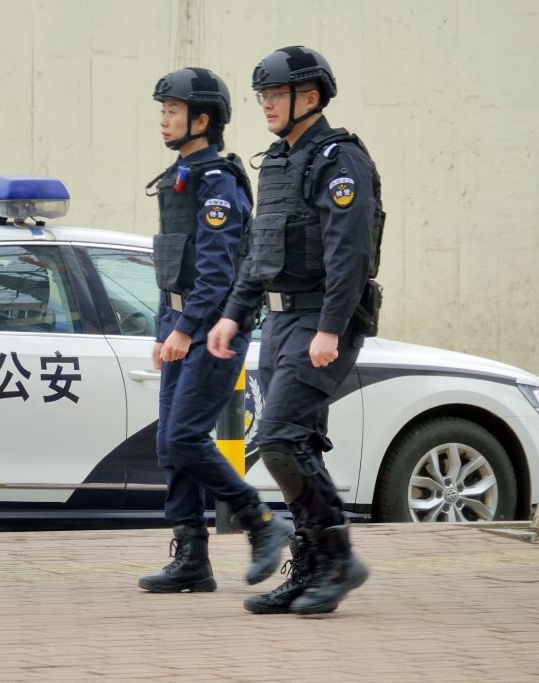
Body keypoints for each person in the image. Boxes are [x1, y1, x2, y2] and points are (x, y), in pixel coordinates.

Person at [208, 46, 384, 615]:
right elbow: (261, 251)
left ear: (309, 97)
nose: (265, 104)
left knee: (280, 436)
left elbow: (349, 252)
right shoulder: (280, 162)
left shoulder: (340, 160)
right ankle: (311, 564)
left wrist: (331, 328)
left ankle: (337, 557)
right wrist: (234, 313)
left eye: (275, 95)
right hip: (281, 320)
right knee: (295, 443)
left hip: (322, 318)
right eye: (261, 96)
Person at [138, 67, 292, 594]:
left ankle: (263, 522)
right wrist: (168, 326)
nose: (164, 119)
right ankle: (191, 559)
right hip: (183, 324)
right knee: (170, 442)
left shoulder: (217, 182)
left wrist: (186, 328)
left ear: (202, 120)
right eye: (162, 111)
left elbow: (218, 271)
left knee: (184, 437)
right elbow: (177, 266)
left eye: (173, 111)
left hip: (214, 328)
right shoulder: (182, 177)